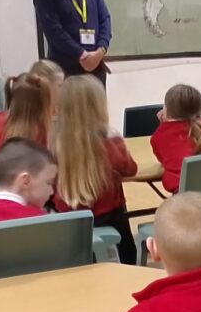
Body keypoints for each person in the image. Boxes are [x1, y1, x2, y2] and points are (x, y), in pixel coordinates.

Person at [51, 75, 138, 264]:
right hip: (109, 218)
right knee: (120, 216)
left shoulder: (53, 146)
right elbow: (131, 169)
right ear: (99, 107)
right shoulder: (111, 142)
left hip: (68, 221)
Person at [150, 84, 201, 193]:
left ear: (167, 110)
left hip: (182, 193)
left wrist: (163, 124)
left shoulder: (160, 135)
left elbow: (163, 160)